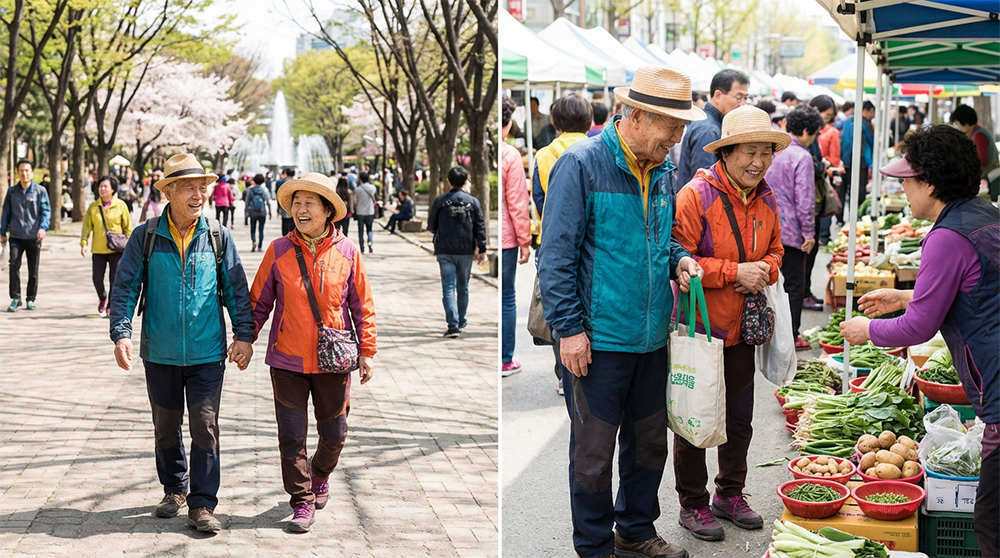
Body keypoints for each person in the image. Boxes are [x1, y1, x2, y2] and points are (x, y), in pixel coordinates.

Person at [539, 65, 704, 558]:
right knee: (593, 454)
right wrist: (569, 330)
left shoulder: (664, 169)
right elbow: (556, 257)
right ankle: (594, 546)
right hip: (597, 339)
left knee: (649, 444)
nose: (677, 139)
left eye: (682, 128)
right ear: (635, 116)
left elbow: (661, 240)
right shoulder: (582, 165)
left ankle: (635, 529)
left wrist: (680, 260)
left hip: (651, 336)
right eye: (671, 127)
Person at [840, 125, 1000, 558]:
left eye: (907, 180)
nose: (904, 189)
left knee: (991, 521)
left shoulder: (946, 238)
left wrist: (867, 330)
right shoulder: (983, 214)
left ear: (930, 183)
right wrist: (906, 296)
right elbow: (974, 289)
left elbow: (917, 329)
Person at [108, 153, 254, 533]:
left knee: (205, 425)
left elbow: (236, 290)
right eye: (189, 187)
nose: (198, 194)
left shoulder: (217, 236)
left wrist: (244, 335)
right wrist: (121, 333)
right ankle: (174, 488)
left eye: (202, 187)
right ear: (169, 192)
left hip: (207, 352)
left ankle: (202, 504)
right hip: (160, 352)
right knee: (165, 425)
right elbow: (125, 289)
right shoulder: (146, 236)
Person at [672, 104, 786, 542]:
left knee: (740, 421)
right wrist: (733, 272)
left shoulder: (767, 198)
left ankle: (730, 494)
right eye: (749, 152)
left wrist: (765, 270)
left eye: (765, 153)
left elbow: (776, 251)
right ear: (727, 152)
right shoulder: (695, 196)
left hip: (743, 332)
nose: (758, 162)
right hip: (701, 328)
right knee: (696, 419)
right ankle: (692, 503)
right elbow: (678, 259)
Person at [249, 172, 376, 533]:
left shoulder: (348, 252)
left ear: (327, 210)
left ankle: (319, 473)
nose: (301, 209)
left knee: (335, 433)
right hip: (286, 359)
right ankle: (302, 500)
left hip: (332, 359)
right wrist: (245, 339)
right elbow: (259, 302)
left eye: (309, 203)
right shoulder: (278, 250)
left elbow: (362, 305)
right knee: (291, 437)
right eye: (297, 203)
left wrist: (367, 350)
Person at [530, 93, 593, 392]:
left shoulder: (544, 154)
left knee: (558, 304)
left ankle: (563, 373)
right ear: (589, 121)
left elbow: (539, 198)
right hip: (591, 241)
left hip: (550, 239)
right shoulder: (598, 151)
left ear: (555, 122)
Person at [766, 105, 825, 350]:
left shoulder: (773, 150)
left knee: (770, 285)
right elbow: (805, 199)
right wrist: (809, 234)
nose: (815, 138)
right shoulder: (802, 156)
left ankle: (768, 333)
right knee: (793, 286)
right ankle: (790, 336)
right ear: (806, 130)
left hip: (766, 229)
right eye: (815, 133)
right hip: (791, 233)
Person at [428, 166, 487, 338]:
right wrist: (482, 249)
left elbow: (431, 225)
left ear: (448, 181)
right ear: (466, 182)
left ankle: (452, 325)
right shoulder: (473, 202)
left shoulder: (440, 201)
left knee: (448, 287)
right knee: (463, 287)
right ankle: (461, 321)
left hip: (445, 250)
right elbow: (480, 227)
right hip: (466, 250)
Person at [677, 69, 750, 190]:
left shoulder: (714, 124)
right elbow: (706, 184)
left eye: (745, 98)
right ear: (718, 95)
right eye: (738, 97)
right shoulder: (708, 130)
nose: (743, 103)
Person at [500, 95, 531, 376]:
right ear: (508, 124)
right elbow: (518, 202)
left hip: (500, 236)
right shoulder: (509, 155)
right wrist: (524, 240)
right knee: (506, 297)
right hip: (507, 238)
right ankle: (505, 359)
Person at [1, 159, 50, 312]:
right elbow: (6, 213)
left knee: (33, 270)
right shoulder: (12, 192)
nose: (24, 173)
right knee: (14, 265)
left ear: (32, 173)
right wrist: (2, 232)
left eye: (27, 170)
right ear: (18, 173)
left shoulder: (40, 191)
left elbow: (46, 212)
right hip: (16, 236)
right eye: (21, 170)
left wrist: (43, 228)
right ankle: (16, 298)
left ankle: (30, 298)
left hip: (34, 236)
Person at [80, 175, 133, 316]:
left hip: (117, 249)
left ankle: (111, 305)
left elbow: (128, 227)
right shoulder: (93, 207)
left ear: (112, 189)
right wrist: (84, 243)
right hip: (98, 249)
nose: (102, 189)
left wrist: (132, 246)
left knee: (115, 279)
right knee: (97, 278)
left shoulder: (121, 205)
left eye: (105, 186)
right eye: (100, 186)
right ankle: (102, 297)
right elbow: (86, 227)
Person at [950, 104, 1000, 202]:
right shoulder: (976, 134)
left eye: (957, 123)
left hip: (992, 179)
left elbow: (980, 161)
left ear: (965, 123)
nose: (957, 127)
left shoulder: (979, 136)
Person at [840, 100, 874, 215]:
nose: (872, 115)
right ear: (865, 111)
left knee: (851, 190)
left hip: (847, 160)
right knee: (860, 189)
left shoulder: (847, 121)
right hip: (861, 161)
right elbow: (872, 141)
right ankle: (858, 214)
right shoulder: (865, 123)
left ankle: (850, 215)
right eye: (872, 112)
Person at [245, 173, 271, 252]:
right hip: (262, 212)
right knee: (261, 229)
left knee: (253, 229)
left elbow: (247, 202)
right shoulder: (264, 190)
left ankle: (254, 241)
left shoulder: (250, 190)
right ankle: (260, 246)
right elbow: (268, 202)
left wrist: (246, 212)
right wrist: (270, 212)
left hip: (253, 212)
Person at [353, 171, 378, 253]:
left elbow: (355, 201)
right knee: (369, 229)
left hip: (360, 212)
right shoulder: (373, 188)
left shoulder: (357, 190)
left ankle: (362, 247)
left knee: (361, 231)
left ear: (360, 179)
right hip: (370, 211)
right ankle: (370, 243)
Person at [275, 168, 296, 236]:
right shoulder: (297, 182)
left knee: (285, 225)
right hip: (295, 206)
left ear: (286, 174)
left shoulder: (280, 183)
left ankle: (285, 239)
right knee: (293, 225)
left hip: (284, 206)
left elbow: (278, 197)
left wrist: (278, 209)